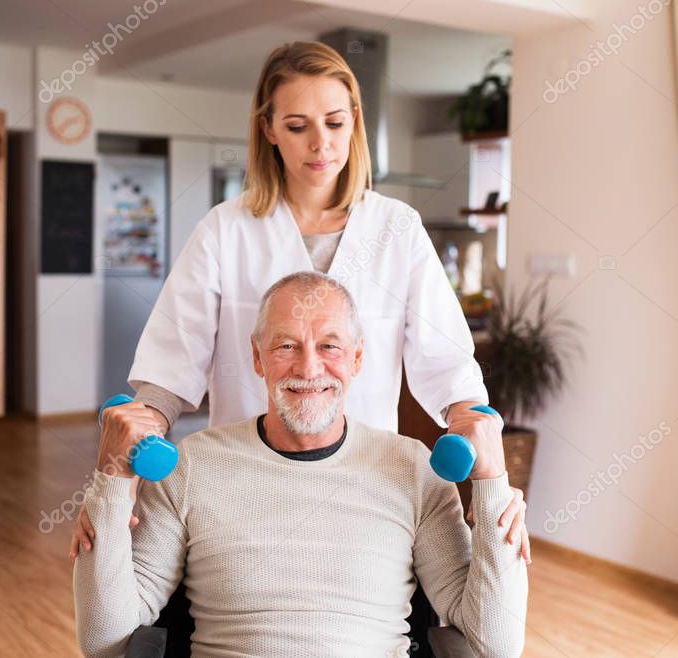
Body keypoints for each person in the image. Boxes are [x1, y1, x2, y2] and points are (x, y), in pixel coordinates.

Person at [70, 40, 530, 560]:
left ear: (355, 120)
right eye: (297, 126)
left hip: (367, 483)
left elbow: (445, 360)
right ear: (268, 129)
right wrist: (123, 463)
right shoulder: (226, 229)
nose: (320, 144)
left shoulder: (396, 228)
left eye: (334, 123)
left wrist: (482, 442)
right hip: (243, 479)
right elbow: (172, 360)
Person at [74, 272, 528, 657]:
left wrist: (493, 486)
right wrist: (111, 483)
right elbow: (104, 640)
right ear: (257, 357)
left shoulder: (414, 470)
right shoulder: (192, 466)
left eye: (330, 346)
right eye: (286, 346)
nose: (309, 369)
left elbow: (495, 644)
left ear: (357, 357)